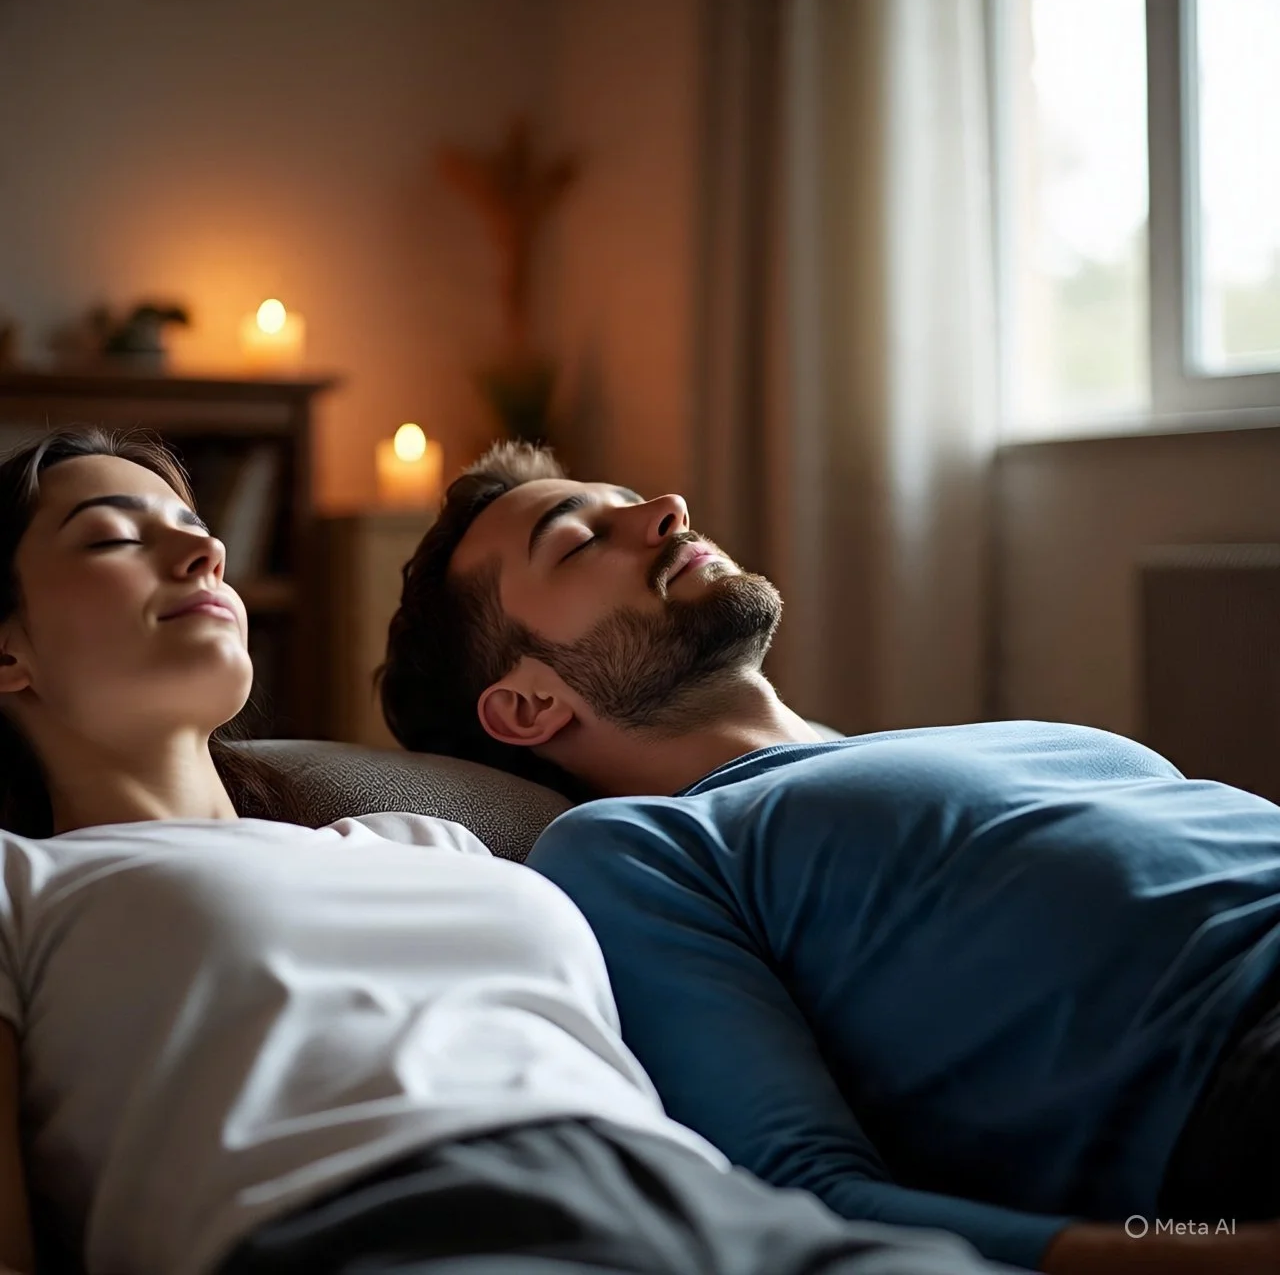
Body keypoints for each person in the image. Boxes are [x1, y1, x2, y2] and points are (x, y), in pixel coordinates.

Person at [0, 427, 1018, 1275]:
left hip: (713, 1209)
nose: (202, 555)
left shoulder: (429, 839)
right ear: (9, 650)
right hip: (389, 1225)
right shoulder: (24, 884)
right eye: (112, 540)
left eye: (195, 529)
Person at [377, 439, 1280, 1275]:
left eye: (629, 501)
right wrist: (1204, 1256)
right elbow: (808, 1192)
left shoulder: (938, 748)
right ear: (529, 706)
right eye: (579, 543)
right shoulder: (641, 846)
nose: (667, 509)